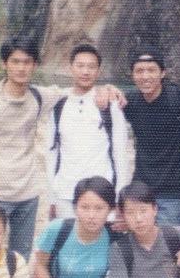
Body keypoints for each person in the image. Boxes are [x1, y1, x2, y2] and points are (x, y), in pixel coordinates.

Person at [0, 37, 122, 259]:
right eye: (15, 61)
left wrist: (108, 89)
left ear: (35, 65)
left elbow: (79, 89)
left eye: (27, 62)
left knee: (20, 257)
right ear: (4, 64)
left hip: (27, 195)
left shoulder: (39, 96)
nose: (21, 68)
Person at [47, 44, 129, 219]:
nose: (85, 71)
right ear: (70, 68)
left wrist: (120, 197)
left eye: (91, 67)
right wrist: (51, 198)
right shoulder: (58, 105)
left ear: (98, 71)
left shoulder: (110, 105)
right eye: (80, 66)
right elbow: (51, 153)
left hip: (102, 193)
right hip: (65, 193)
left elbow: (120, 154)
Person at [122, 49, 180, 226]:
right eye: (139, 71)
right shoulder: (129, 101)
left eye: (151, 70)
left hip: (172, 193)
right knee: (140, 239)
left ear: (163, 73)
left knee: (168, 240)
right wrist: (108, 89)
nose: (145, 76)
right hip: (140, 190)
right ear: (132, 75)